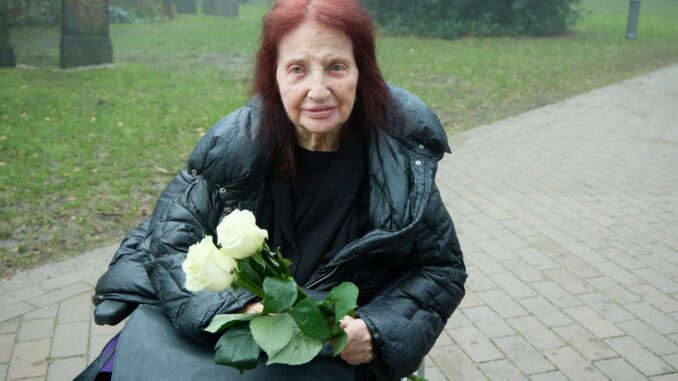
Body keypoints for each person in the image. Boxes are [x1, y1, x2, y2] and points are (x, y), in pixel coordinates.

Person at [88, 0, 467, 380]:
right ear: (274, 76)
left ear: (361, 73)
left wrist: (379, 329)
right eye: (297, 70)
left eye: (336, 67)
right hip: (230, 343)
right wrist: (241, 309)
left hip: (332, 355)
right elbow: (168, 241)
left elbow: (440, 267)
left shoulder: (399, 157)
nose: (318, 91)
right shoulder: (233, 147)